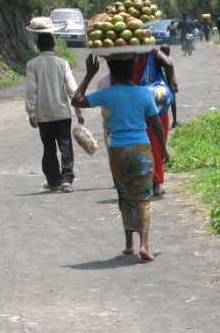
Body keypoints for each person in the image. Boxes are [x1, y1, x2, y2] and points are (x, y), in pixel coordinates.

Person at [71, 55, 168, 263]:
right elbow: (157, 124)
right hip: (141, 149)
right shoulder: (144, 93)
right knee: (143, 197)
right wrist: (163, 148)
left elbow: (76, 99)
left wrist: (89, 75)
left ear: (112, 72)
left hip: (117, 151)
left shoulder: (107, 94)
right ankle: (144, 245)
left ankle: (129, 244)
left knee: (124, 195)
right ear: (133, 70)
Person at [25, 32, 84, 193]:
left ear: (38, 46)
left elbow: (31, 90)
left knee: (48, 148)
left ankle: (52, 180)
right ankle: (66, 179)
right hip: (62, 113)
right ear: (53, 45)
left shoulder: (32, 64)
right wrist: (79, 112)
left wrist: (31, 113)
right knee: (66, 146)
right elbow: (72, 89)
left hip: (43, 115)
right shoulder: (62, 63)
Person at [133, 46, 178, 197]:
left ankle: (140, 182)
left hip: (133, 102)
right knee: (157, 143)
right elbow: (169, 65)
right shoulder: (152, 52)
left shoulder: (125, 52)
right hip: (155, 101)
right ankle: (156, 184)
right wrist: (170, 83)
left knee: (137, 143)